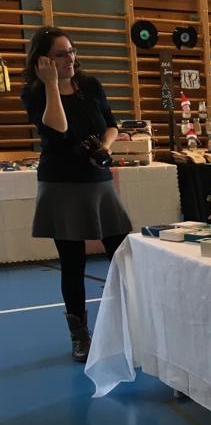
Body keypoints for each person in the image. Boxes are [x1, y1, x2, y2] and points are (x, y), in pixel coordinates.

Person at [21, 26, 132, 362]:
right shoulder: (35, 92)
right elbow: (58, 128)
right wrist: (52, 84)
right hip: (61, 184)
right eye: (60, 54)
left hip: (98, 181)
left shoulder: (90, 85)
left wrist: (105, 147)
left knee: (123, 252)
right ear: (43, 60)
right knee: (72, 262)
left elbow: (111, 123)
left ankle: (134, 320)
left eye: (71, 51)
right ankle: (80, 335)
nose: (69, 58)